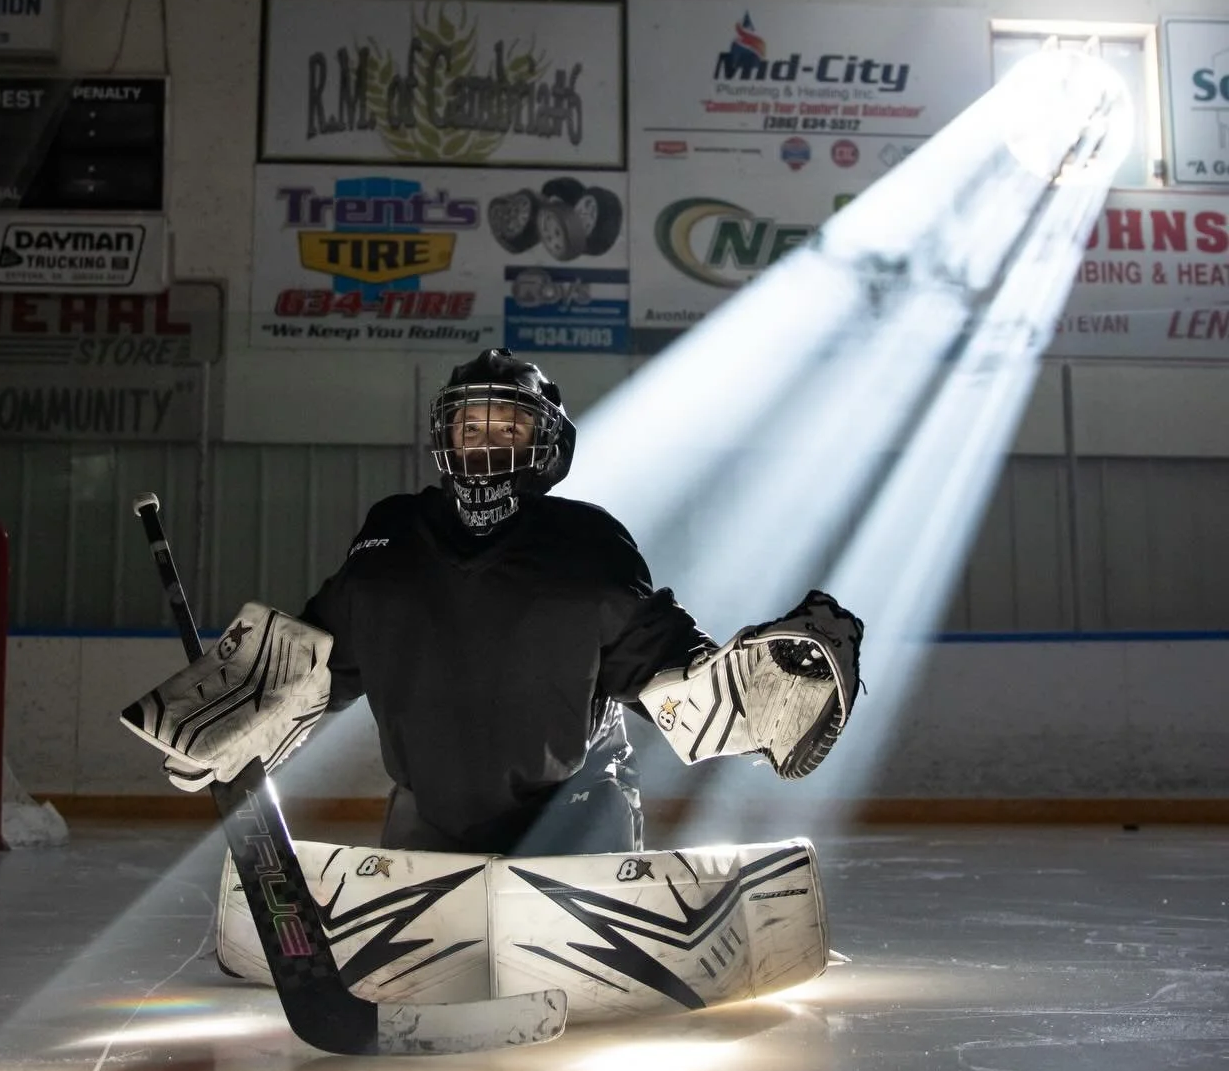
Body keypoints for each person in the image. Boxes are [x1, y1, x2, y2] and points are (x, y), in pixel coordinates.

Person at [122, 350, 863, 858]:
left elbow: (654, 657)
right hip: (429, 815)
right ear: (444, 437)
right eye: (469, 426)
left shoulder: (586, 541)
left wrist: (744, 692)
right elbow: (328, 655)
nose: (485, 440)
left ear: (547, 444)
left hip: (575, 813)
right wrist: (234, 721)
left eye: (507, 425)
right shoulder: (396, 535)